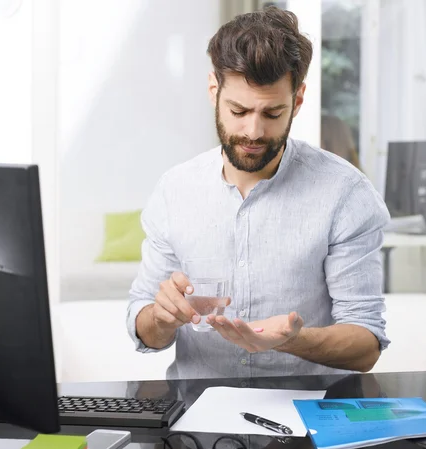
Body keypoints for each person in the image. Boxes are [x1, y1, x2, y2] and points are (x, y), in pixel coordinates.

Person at [126, 6, 390, 380]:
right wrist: (161, 316)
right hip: (196, 415)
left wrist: (288, 341)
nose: (252, 131)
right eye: (238, 110)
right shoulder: (175, 190)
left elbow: (366, 344)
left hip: (309, 417)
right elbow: (144, 330)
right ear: (214, 91)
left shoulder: (345, 194)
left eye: (271, 113)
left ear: (297, 102)